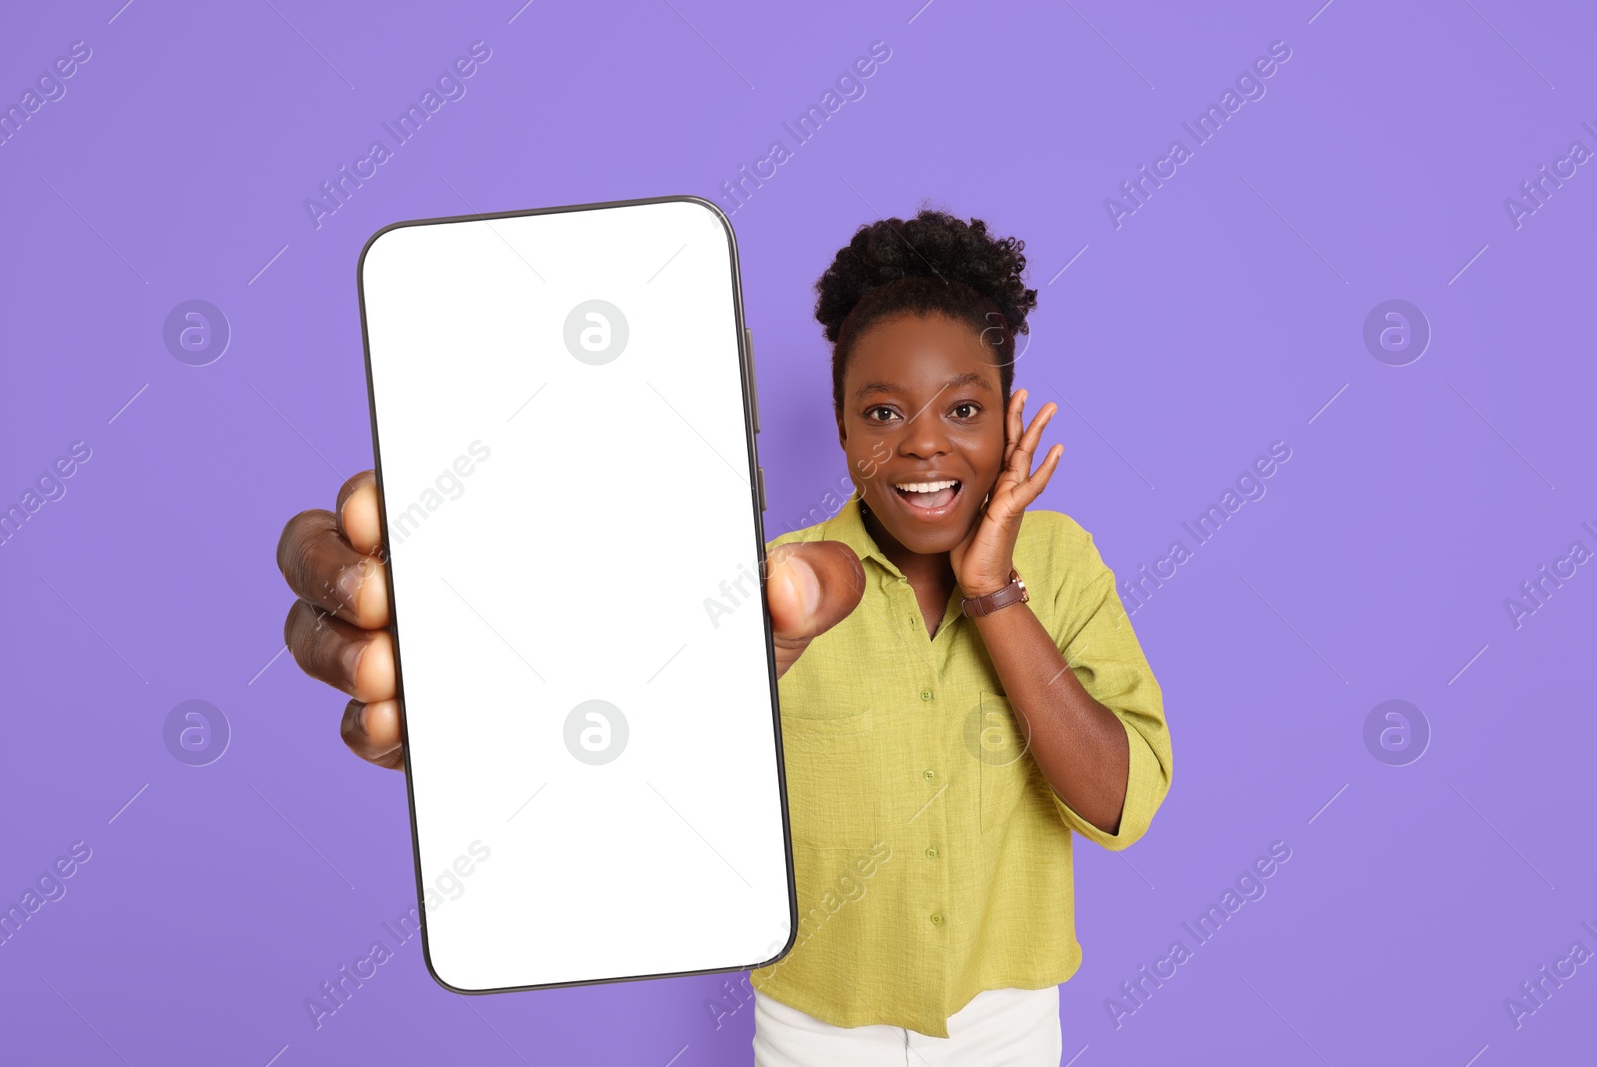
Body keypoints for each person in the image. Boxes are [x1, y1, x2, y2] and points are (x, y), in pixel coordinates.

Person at [275, 206, 1173, 1066]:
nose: (924, 445)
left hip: (1010, 1025)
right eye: (884, 411)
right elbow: (646, 764)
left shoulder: (1058, 562)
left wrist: (993, 592)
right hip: (813, 1032)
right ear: (841, 425)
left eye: (964, 410)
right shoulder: (773, 588)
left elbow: (1117, 803)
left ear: (1012, 415)